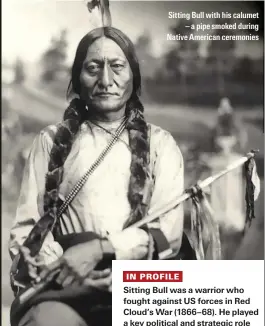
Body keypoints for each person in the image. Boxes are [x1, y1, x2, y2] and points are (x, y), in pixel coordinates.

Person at [9, 27, 185, 326]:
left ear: (133, 76)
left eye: (117, 67)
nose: (106, 80)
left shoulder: (160, 145)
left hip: (140, 287)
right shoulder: (50, 141)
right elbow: (27, 230)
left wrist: (99, 250)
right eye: (93, 68)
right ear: (78, 77)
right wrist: (66, 269)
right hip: (64, 285)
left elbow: (168, 233)